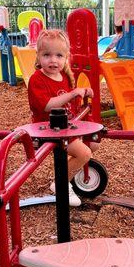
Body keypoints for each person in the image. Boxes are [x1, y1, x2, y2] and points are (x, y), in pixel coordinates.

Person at [27, 29, 97, 207]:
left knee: (94, 142)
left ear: (66, 57)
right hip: (49, 129)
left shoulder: (64, 75)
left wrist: (82, 94)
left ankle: (65, 170)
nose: (53, 60)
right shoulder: (37, 79)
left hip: (66, 126)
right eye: (47, 55)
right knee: (85, 153)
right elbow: (48, 105)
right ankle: (60, 183)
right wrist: (73, 93)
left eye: (59, 55)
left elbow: (70, 104)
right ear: (38, 57)